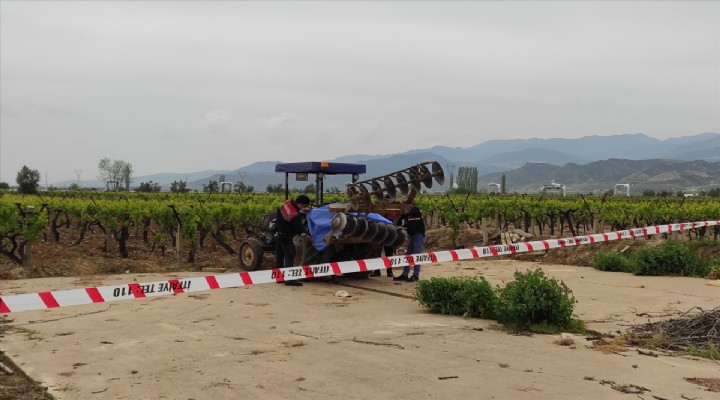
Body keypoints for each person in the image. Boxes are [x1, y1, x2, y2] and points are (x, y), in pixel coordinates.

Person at [275, 194, 312, 286]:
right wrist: (307, 236)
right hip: (286, 236)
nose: (305, 208)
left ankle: (279, 278)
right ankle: (290, 279)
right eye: (305, 206)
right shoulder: (295, 214)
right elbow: (299, 229)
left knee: (279, 256)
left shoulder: (287, 204)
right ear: (301, 204)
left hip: (277, 233)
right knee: (290, 254)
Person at [393, 205, 426, 282]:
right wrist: (401, 214)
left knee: (416, 256)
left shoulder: (415, 210)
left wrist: (405, 212)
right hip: (413, 236)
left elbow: (411, 225)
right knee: (408, 256)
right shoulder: (407, 215)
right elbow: (399, 223)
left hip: (418, 236)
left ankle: (415, 275)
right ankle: (405, 274)